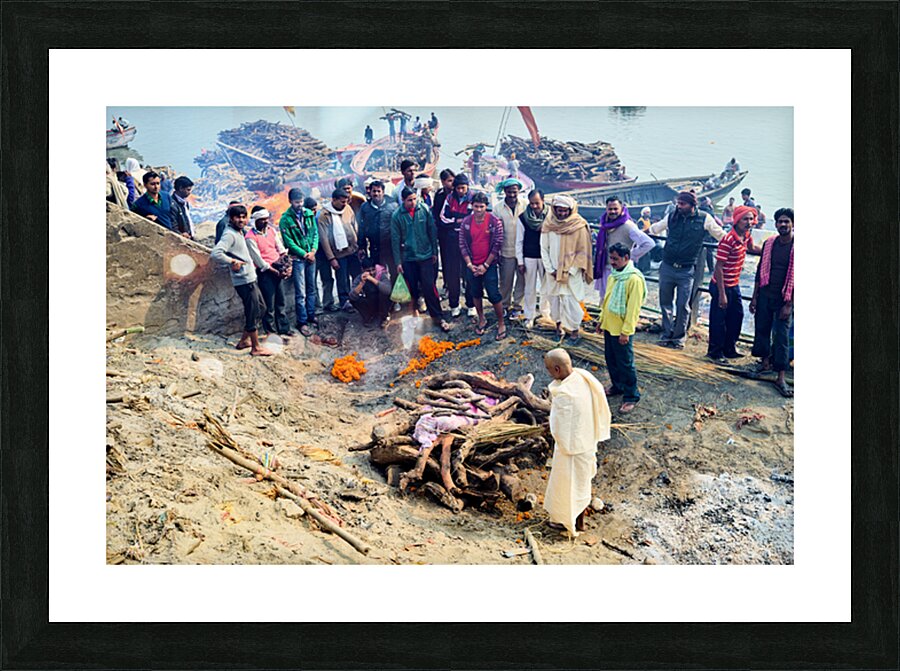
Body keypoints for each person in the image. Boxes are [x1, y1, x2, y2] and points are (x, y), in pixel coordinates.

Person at [542, 348, 611, 538]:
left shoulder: (565, 393)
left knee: (568, 485)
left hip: (571, 448)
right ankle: (579, 522)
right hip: (586, 440)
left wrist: (553, 431)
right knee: (581, 485)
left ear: (556, 369)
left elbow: (559, 425)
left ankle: (569, 522)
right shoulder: (582, 376)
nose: (548, 373)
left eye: (549, 370)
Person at [649, 191, 725, 349]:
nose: (679, 206)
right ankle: (666, 334)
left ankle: (678, 338)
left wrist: (737, 245)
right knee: (665, 302)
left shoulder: (704, 219)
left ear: (692, 205)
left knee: (683, 305)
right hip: (667, 266)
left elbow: (721, 236)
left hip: (687, 270)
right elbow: (655, 229)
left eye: (682, 204)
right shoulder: (672, 216)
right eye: (678, 203)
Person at [209, 205, 272, 356]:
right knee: (253, 311)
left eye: (244, 217)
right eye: (238, 217)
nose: (241, 220)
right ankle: (255, 347)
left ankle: (244, 340)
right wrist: (231, 261)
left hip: (250, 277)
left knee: (260, 308)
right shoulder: (229, 234)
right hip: (243, 280)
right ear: (231, 218)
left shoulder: (240, 232)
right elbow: (215, 253)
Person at [391, 187, 452, 332]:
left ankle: (438, 317)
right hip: (409, 257)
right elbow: (395, 240)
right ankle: (414, 314)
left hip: (425, 254)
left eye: (414, 199)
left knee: (429, 286)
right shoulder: (397, 216)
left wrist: (434, 252)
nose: (413, 202)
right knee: (412, 287)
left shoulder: (424, 209)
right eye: (409, 200)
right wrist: (398, 262)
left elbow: (432, 230)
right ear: (403, 200)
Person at [706, 204, 762, 361]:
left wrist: (768, 250)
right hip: (721, 285)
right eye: (745, 219)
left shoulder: (746, 236)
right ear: (737, 220)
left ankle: (729, 348)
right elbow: (718, 268)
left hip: (734, 283)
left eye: (751, 219)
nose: (749, 222)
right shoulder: (728, 239)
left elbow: (752, 248)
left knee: (736, 316)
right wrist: (722, 294)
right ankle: (715, 352)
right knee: (718, 320)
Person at [750, 208, 794, 397]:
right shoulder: (769, 244)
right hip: (765, 294)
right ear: (775, 224)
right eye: (780, 222)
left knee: (782, 336)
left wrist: (789, 305)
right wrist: (754, 296)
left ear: (792, 224)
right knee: (762, 329)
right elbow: (759, 272)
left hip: (784, 298)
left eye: (786, 222)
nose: (783, 225)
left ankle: (781, 377)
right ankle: (765, 364)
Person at [541, 194, 594, 344]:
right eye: (559, 210)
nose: (562, 213)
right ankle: (559, 329)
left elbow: (582, 252)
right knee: (555, 301)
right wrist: (550, 268)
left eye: (565, 211)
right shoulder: (549, 224)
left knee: (572, 304)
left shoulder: (579, 225)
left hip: (572, 274)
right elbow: (544, 248)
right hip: (552, 272)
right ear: (554, 209)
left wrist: (569, 271)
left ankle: (575, 333)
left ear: (570, 210)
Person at [600, 243, 647, 414]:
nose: (612, 262)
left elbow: (633, 309)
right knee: (611, 359)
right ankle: (617, 386)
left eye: (615, 259)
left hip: (621, 330)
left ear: (626, 258)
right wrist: (601, 320)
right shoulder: (615, 275)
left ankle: (631, 395)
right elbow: (607, 299)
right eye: (611, 258)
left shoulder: (633, 279)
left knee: (625, 363)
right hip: (610, 326)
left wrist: (626, 331)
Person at [459, 191, 506, 339]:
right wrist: (469, 264)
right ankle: (481, 318)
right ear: (471, 206)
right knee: (476, 293)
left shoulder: (494, 222)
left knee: (494, 294)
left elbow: (497, 244)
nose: (478, 210)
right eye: (476, 206)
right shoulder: (466, 223)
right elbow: (462, 245)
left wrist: (485, 265)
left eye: (482, 206)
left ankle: (501, 323)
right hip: (472, 264)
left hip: (489, 264)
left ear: (486, 206)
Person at [592, 196, 654, 300]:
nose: (612, 211)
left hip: (621, 270)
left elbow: (649, 243)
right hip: (605, 267)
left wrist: (630, 256)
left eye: (615, 209)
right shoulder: (605, 224)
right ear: (606, 209)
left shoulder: (628, 226)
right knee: (605, 299)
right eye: (610, 209)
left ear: (621, 208)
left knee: (618, 300)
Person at [245, 206, 292, 338]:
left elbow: (280, 249)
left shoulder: (271, 231)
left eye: (266, 219)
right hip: (266, 272)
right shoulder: (250, 237)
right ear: (255, 221)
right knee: (269, 304)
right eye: (262, 220)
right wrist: (274, 272)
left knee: (281, 301)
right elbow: (259, 261)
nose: (265, 222)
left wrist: (287, 266)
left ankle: (284, 328)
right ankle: (270, 331)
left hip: (278, 267)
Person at [279, 189, 319, 336]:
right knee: (300, 292)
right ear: (290, 202)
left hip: (311, 256)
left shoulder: (309, 214)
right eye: (297, 202)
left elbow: (315, 234)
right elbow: (288, 242)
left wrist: (313, 251)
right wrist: (304, 254)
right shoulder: (285, 219)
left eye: (301, 202)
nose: (300, 205)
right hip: (298, 259)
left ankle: (311, 315)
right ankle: (302, 321)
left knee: (312, 288)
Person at [317, 189, 360, 312]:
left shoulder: (347, 209)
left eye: (346, 202)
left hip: (353, 250)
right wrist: (331, 258)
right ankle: (345, 302)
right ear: (334, 200)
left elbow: (354, 225)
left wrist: (358, 244)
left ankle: (359, 298)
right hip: (339, 253)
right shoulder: (324, 215)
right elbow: (324, 239)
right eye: (341, 202)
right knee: (342, 279)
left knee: (357, 275)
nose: (344, 204)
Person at [438, 173, 473, 318]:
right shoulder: (449, 198)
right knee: (453, 274)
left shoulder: (473, 198)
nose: (460, 191)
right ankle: (454, 304)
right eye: (458, 188)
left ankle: (471, 304)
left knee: (469, 272)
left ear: (467, 187)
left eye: (463, 188)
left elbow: (474, 218)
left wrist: (458, 221)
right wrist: (458, 221)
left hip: (469, 241)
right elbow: (443, 218)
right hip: (452, 240)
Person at [516, 188, 552, 329]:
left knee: (547, 287)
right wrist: (520, 261)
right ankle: (529, 316)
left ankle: (545, 315)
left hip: (546, 257)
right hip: (529, 256)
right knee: (529, 288)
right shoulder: (523, 218)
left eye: (537, 203)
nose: (534, 206)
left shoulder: (551, 216)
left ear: (543, 201)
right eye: (532, 203)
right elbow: (519, 241)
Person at [494, 178, 528, 318]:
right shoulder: (498, 208)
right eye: (509, 192)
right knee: (505, 281)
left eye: (514, 192)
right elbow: (496, 232)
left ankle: (518, 306)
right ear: (505, 191)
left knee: (522, 281)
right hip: (506, 251)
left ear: (519, 191)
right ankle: (505, 305)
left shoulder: (525, 205)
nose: (512, 195)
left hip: (523, 252)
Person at [349, 256, 393, 328]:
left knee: (384, 294)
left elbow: (388, 290)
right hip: (370, 301)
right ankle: (368, 316)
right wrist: (362, 283)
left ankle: (385, 316)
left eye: (373, 270)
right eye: (368, 270)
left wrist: (373, 279)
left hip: (381, 301)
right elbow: (352, 297)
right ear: (362, 270)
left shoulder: (381, 274)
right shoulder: (359, 278)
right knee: (354, 300)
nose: (371, 272)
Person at [357, 180, 387, 266]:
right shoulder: (365, 207)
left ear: (383, 192)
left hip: (389, 247)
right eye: (374, 191)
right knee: (377, 271)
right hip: (374, 247)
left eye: (378, 191)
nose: (376, 194)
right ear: (370, 192)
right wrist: (361, 246)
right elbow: (361, 227)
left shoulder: (392, 206)